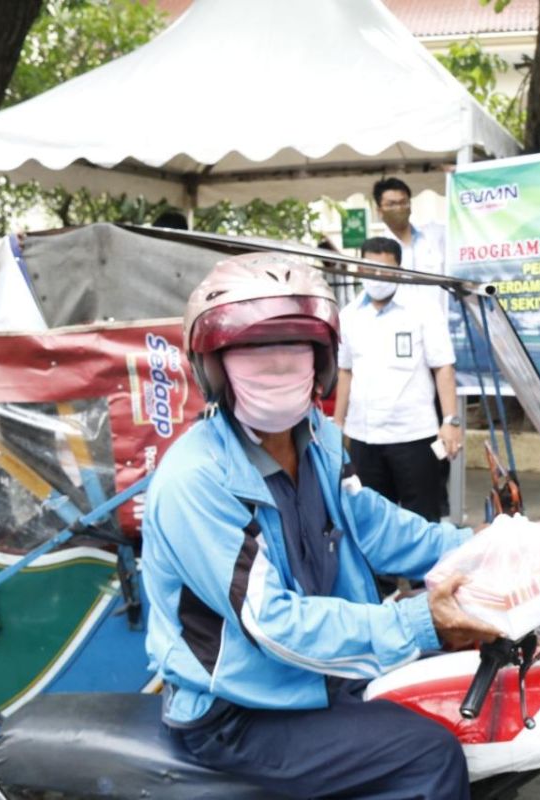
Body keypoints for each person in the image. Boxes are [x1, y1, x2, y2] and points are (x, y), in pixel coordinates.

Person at [141, 252, 498, 799]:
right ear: (214, 368)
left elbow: (375, 526)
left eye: (293, 350)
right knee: (430, 757)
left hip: (318, 674)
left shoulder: (319, 439)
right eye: (253, 355)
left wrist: (483, 547)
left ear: (322, 360)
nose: (278, 368)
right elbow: (273, 623)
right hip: (240, 710)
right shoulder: (196, 480)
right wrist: (420, 623)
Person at [332, 236, 461, 526]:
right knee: (374, 518)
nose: (376, 277)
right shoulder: (349, 316)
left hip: (413, 434)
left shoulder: (423, 310)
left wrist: (450, 421)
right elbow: (345, 372)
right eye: (369, 269)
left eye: (385, 270)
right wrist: (338, 425)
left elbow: (443, 367)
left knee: (422, 517)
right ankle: (382, 574)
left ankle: (424, 573)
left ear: (400, 271)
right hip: (365, 437)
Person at [373, 176, 449, 313]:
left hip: (439, 324)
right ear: (379, 211)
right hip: (402, 327)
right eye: (391, 204)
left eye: (403, 202)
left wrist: (457, 176)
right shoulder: (377, 252)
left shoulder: (436, 236)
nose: (398, 208)